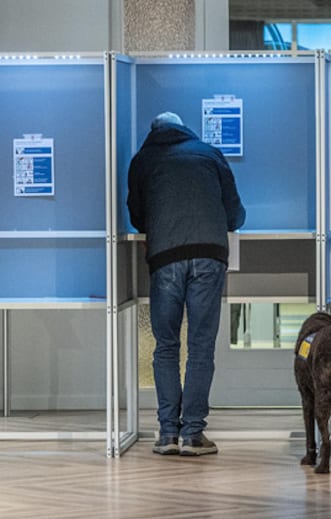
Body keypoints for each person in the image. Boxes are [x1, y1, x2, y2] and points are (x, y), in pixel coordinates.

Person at [128, 112, 246, 456]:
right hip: (209, 256)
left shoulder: (143, 160)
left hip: (165, 258)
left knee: (166, 345)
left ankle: (167, 435)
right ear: (183, 128)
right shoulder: (209, 153)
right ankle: (193, 434)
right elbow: (235, 213)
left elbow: (137, 216)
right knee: (200, 345)